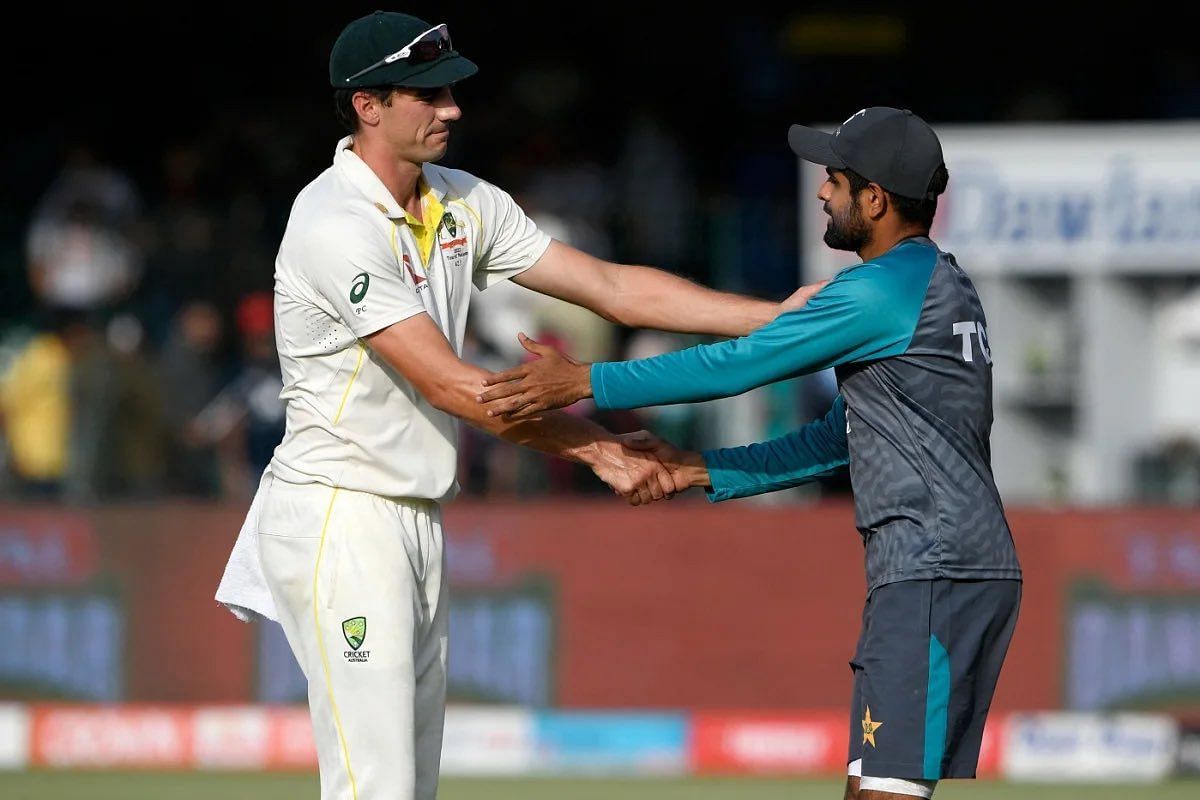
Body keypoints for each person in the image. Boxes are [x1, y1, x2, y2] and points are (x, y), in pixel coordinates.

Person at [215, 11, 819, 800]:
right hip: (340, 515)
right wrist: (599, 448)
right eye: (427, 94)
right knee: (377, 788)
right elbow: (452, 386)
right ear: (367, 105)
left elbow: (610, 286)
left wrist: (781, 317)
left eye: (452, 93)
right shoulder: (332, 221)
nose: (453, 109)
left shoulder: (462, 201)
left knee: (407, 787)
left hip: (415, 513)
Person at [477, 107, 1022, 800]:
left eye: (834, 179)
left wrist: (587, 380)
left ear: (875, 199)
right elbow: (836, 441)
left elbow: (739, 365)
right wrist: (699, 470)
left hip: (933, 569)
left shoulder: (882, 289)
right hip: (944, 567)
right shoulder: (935, 280)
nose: (822, 193)